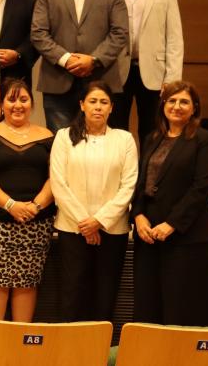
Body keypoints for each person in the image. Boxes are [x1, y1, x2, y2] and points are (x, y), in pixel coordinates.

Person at [131, 81, 208, 326]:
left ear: (194, 108)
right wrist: (138, 215)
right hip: (149, 235)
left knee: (181, 307)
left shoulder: (205, 140)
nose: (177, 106)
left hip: (186, 236)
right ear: (163, 105)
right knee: (148, 305)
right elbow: (141, 182)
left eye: (184, 102)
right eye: (172, 100)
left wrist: (171, 224)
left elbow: (201, 188)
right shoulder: (153, 138)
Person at [49, 81, 137, 322]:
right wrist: (85, 223)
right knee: (72, 293)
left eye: (104, 102)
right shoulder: (64, 136)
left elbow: (128, 185)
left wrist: (99, 221)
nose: (98, 107)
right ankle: (69, 343)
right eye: (93, 101)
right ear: (82, 105)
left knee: (105, 294)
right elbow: (58, 183)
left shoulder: (124, 139)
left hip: (112, 229)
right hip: (72, 227)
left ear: (111, 108)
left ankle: (101, 344)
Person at [0, 78, 55, 322]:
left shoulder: (48, 137)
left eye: (23, 99)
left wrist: (35, 207)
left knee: (26, 283)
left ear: (32, 104)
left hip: (36, 223)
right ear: (2, 104)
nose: (17, 105)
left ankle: (19, 341)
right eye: (11, 99)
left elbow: (56, 178)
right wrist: (11, 205)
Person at [31, 0, 129, 131]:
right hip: (57, 82)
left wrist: (93, 60)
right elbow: (38, 33)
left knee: (100, 141)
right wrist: (66, 59)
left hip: (100, 80)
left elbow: (120, 33)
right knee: (61, 141)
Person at [108, 0, 184, 142]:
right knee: (116, 133)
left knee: (152, 132)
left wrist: (172, 79)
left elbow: (174, 37)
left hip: (154, 72)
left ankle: (148, 165)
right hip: (115, 70)